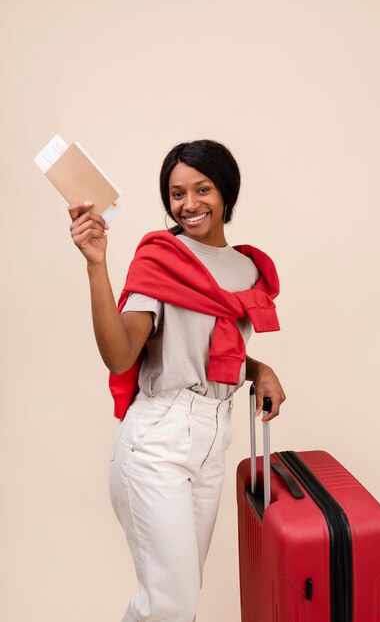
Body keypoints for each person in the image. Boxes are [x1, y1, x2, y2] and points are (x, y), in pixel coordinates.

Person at [68, 139, 286, 622]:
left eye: (202, 189)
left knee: (180, 603)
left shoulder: (247, 267)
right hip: (157, 442)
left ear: (226, 191)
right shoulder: (162, 258)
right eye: (176, 193)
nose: (189, 205)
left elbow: (215, 351)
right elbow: (121, 353)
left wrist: (258, 368)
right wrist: (97, 265)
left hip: (213, 441)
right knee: (169, 603)